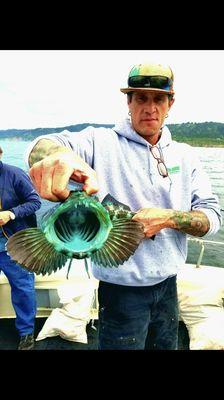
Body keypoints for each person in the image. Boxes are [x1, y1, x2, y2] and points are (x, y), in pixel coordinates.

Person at [25, 61, 222, 350]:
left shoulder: (186, 155)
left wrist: (169, 218)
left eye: (158, 98)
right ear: (128, 101)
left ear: (171, 103)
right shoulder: (98, 141)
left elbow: (212, 216)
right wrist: (55, 158)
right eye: (141, 97)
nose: (149, 107)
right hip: (120, 293)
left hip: (168, 288)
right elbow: (43, 145)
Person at [0, 146, 41, 350]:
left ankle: (26, 332)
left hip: (15, 243)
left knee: (23, 288)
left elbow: (35, 202)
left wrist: (11, 214)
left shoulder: (15, 174)